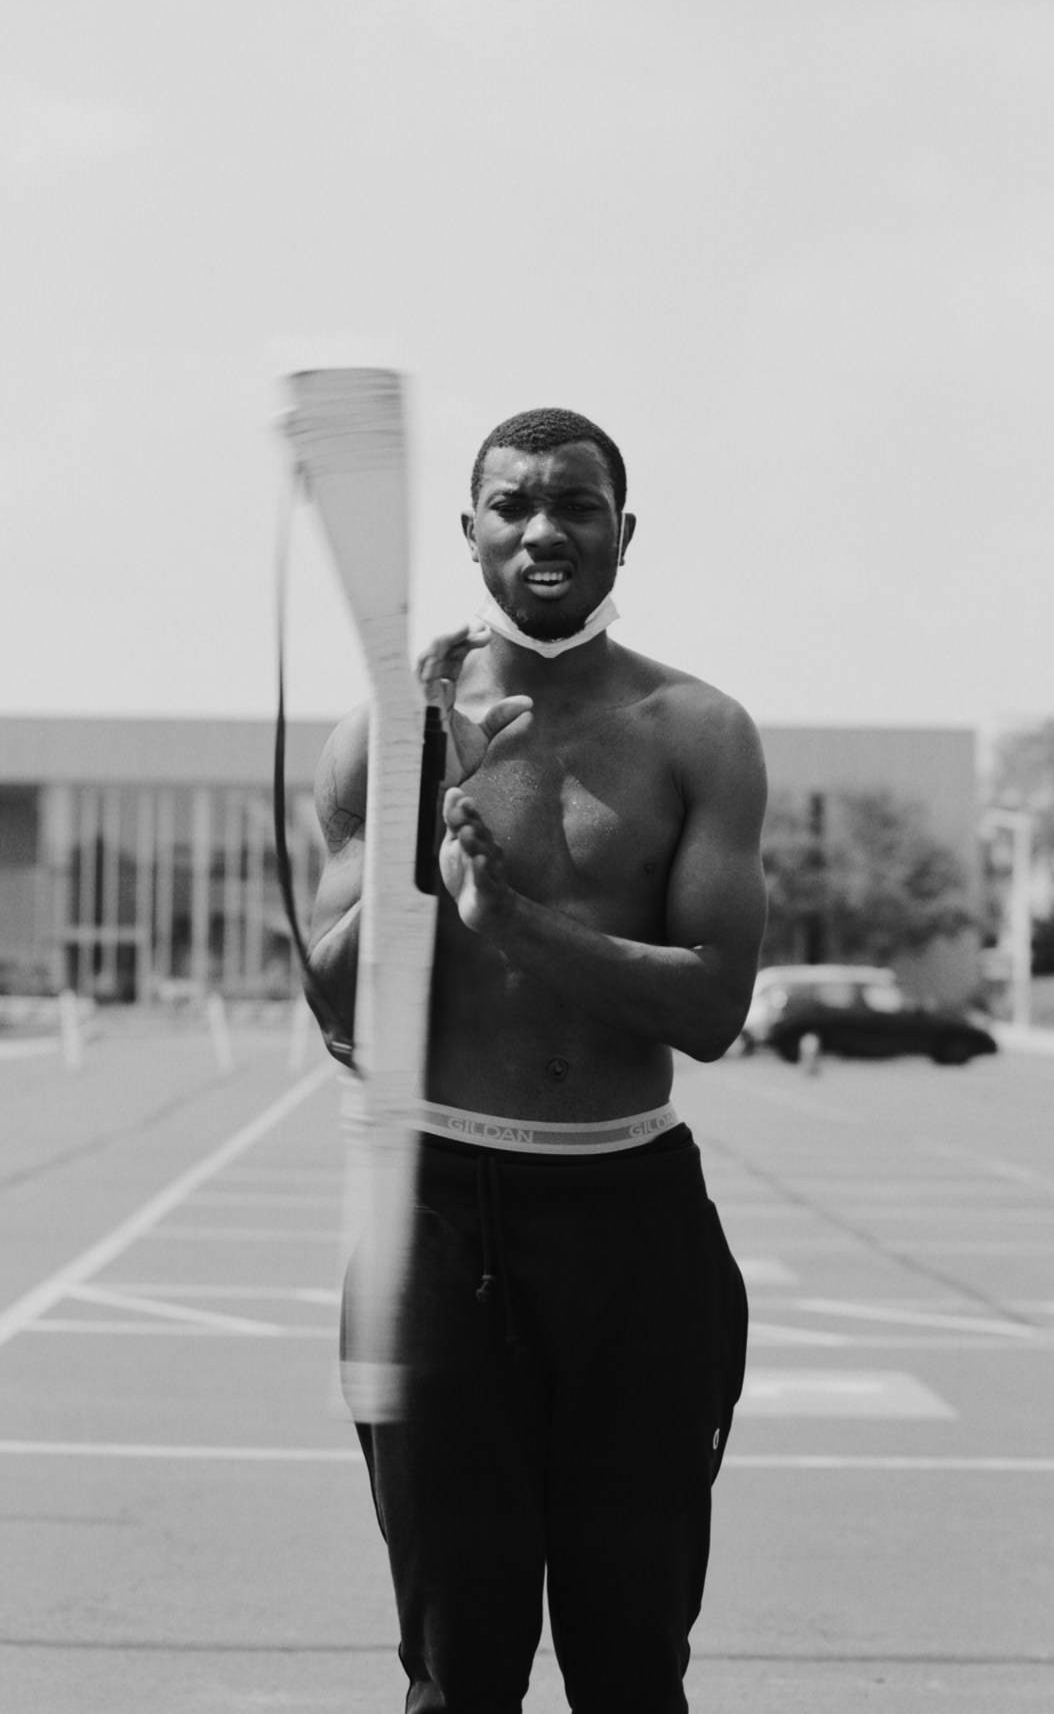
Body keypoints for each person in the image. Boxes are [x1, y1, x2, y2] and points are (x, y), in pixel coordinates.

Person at [308, 406, 768, 1713]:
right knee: (462, 1670)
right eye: (514, 505)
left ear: (623, 532)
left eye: (576, 505)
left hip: (633, 1225)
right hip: (441, 1223)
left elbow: (714, 1007)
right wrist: (415, 796)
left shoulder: (698, 732)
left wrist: (514, 926)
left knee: (631, 1665)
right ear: (470, 534)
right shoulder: (381, 742)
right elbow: (342, 1023)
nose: (545, 530)